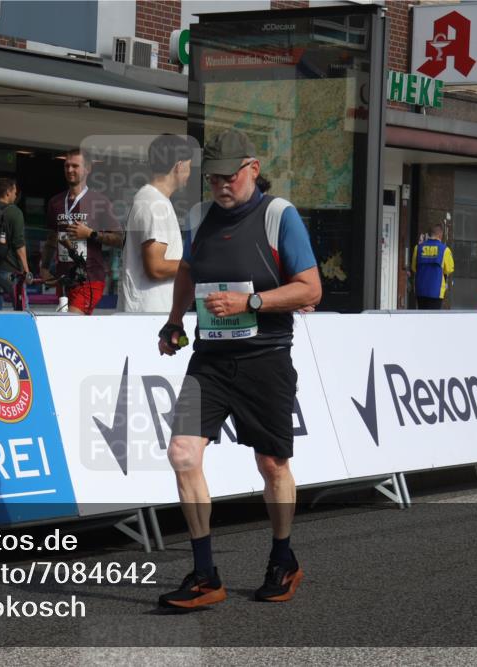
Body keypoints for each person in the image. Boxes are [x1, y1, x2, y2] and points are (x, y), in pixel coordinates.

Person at [156, 129, 321, 609]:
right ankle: (205, 574)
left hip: (265, 358)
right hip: (209, 359)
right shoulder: (198, 216)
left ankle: (283, 558)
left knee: (272, 464)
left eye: (230, 175)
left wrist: (251, 302)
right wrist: (174, 322)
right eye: (213, 178)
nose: (221, 185)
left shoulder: (279, 216)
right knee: (182, 453)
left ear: (253, 168)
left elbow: (310, 288)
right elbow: (188, 270)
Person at [41, 148, 123, 315]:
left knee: (71, 321)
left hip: (89, 277)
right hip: (64, 278)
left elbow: (120, 239)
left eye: (75, 166)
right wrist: (44, 267)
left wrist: (90, 234)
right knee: (68, 325)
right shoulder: (55, 202)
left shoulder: (99, 201)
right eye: (66, 166)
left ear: (88, 169)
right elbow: (51, 238)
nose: (70, 170)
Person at [119, 134, 193, 313]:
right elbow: (156, 268)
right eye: (189, 166)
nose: (189, 174)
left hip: (152, 311)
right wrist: (197, 266)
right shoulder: (154, 203)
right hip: (150, 313)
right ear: (179, 166)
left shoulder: (153, 200)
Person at [0, 177, 31, 310]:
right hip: (10, 270)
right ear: (8, 192)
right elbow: (19, 244)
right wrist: (26, 270)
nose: (15, 195)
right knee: (22, 310)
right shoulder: (14, 212)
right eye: (14, 192)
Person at [410, 224, 454, 310]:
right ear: (440, 235)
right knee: (434, 316)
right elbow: (449, 269)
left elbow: (414, 268)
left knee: (421, 315)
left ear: (429, 234)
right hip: (436, 292)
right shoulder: (445, 249)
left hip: (420, 291)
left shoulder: (418, 248)